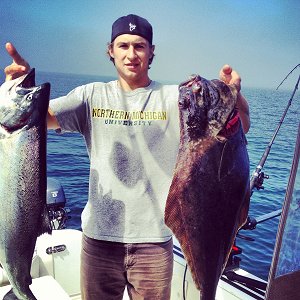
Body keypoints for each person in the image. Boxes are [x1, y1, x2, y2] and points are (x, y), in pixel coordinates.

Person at [4, 14, 250, 300]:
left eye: (140, 46)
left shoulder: (174, 98)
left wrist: (235, 95)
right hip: (98, 241)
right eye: (123, 46)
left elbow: (239, 126)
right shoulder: (90, 96)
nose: (131, 54)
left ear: (151, 51)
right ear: (111, 50)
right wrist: (17, 87)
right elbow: (30, 120)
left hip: (154, 244)